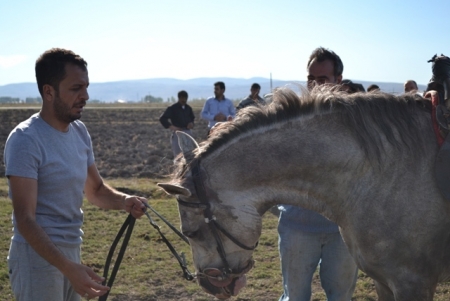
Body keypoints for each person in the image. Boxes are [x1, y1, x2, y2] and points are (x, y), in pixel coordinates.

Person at [4, 48, 147, 301]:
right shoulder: (26, 139)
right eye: (76, 88)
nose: (86, 96)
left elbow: (96, 190)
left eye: (86, 87)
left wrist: (125, 201)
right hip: (37, 259)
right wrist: (67, 268)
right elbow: (25, 220)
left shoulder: (79, 132)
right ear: (49, 92)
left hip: (72, 253)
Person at [278, 47, 358, 301]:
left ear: (339, 80)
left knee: (341, 296)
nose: (315, 86)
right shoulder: (290, 119)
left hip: (343, 230)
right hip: (297, 226)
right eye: (311, 79)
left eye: (322, 80)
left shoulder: (356, 121)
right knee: (295, 297)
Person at [159, 90, 195, 159]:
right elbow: (162, 118)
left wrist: (191, 124)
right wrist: (172, 127)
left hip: (188, 133)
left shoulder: (188, 108)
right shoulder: (172, 108)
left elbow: (192, 118)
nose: (183, 100)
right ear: (179, 98)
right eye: (182, 98)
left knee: (190, 155)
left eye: (185, 98)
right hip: (178, 133)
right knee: (178, 156)